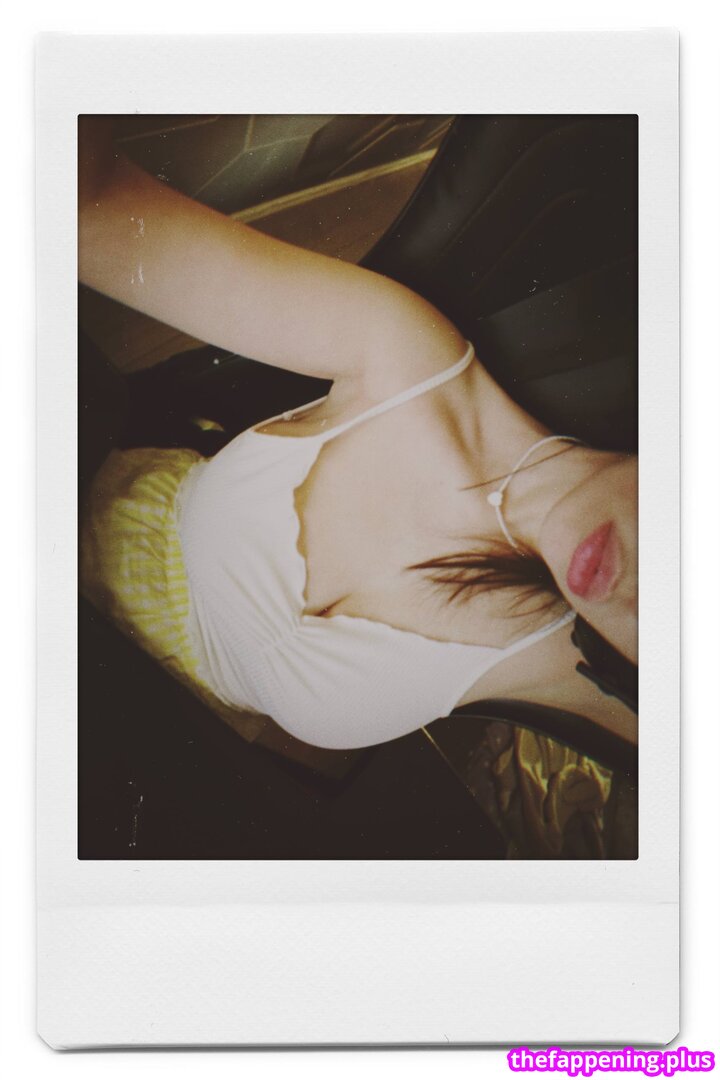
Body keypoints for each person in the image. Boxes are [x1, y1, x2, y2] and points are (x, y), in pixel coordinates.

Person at [78, 119, 638, 755]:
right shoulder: (408, 361)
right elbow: (91, 208)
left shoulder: (586, 668)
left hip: (152, 742)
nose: (643, 600)